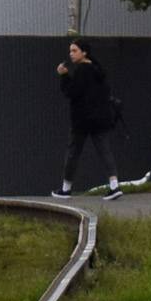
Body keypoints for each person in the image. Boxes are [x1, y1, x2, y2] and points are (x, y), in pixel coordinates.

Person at [57, 39, 123, 198]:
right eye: (70, 51)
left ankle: (66, 188)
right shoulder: (97, 69)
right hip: (100, 118)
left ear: (84, 52)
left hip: (82, 119)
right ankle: (114, 185)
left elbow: (72, 92)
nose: (71, 54)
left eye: (74, 51)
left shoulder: (82, 70)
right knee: (104, 151)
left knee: (73, 152)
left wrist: (64, 76)